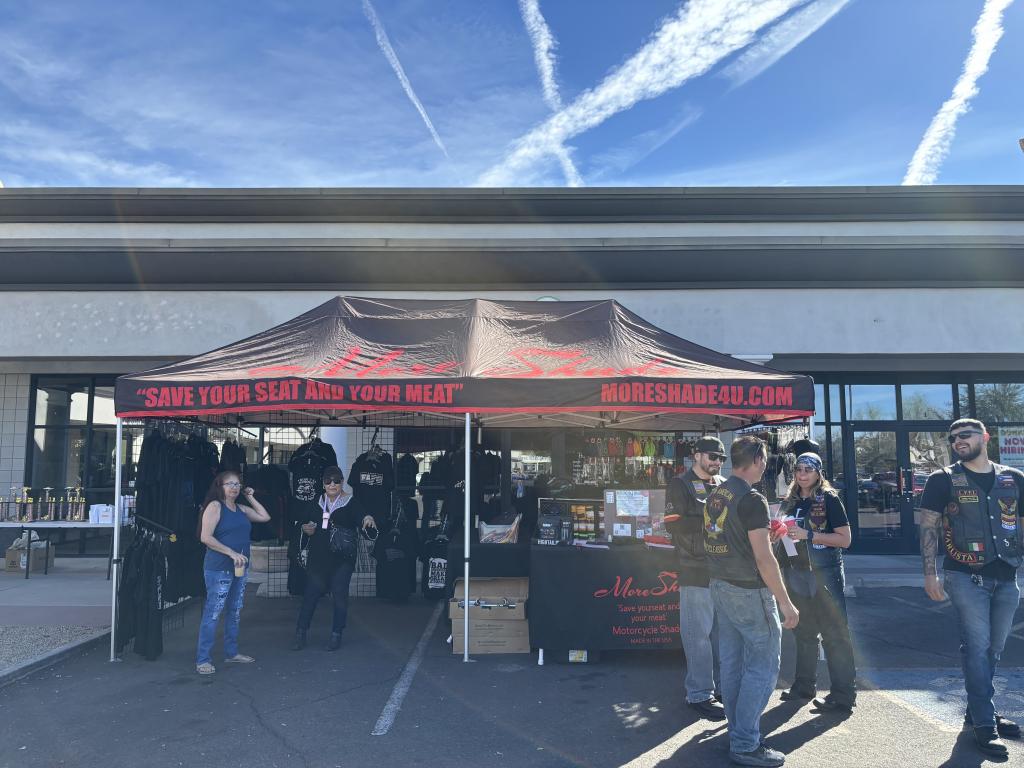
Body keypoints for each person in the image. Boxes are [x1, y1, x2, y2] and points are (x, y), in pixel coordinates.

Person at [918, 419, 1023, 758]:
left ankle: (979, 709)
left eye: (965, 435)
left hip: (1006, 575)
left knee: (994, 648)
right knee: (977, 647)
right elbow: (929, 527)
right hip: (965, 576)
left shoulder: (1013, 478)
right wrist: (930, 573)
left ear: (985, 437)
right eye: (953, 438)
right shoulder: (943, 479)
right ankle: (985, 725)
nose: (958, 441)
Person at [705, 435, 799, 768]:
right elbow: (763, 559)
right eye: (765, 459)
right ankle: (745, 743)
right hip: (748, 589)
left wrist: (765, 539)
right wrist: (786, 602)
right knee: (762, 667)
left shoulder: (716, 493)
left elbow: (729, 539)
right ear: (758, 459)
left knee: (732, 665)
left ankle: (739, 733)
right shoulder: (752, 498)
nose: (766, 465)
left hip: (721, 584)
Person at [775, 453, 856, 712]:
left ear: (818, 473)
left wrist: (808, 534)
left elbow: (845, 539)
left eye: (808, 470)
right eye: (798, 469)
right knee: (804, 631)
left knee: (834, 634)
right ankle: (804, 686)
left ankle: (843, 695)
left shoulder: (829, 499)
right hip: (795, 571)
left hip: (824, 573)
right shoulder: (791, 500)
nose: (802, 474)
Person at [664, 435, 727, 720]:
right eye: (713, 456)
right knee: (697, 635)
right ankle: (700, 693)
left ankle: (723, 687)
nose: (717, 462)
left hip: (724, 568)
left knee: (723, 634)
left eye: (721, 458)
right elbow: (673, 523)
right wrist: (710, 516)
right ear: (697, 456)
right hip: (694, 567)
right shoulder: (680, 484)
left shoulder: (724, 484)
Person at [292, 466, 377, 651]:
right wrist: (305, 529)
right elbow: (302, 522)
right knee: (310, 594)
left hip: (342, 559)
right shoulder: (316, 501)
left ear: (342, 482)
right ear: (323, 483)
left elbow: (363, 516)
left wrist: (367, 518)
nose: (332, 484)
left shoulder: (351, 502)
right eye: (328, 481)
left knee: (339, 594)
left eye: (336, 481)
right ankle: (300, 632)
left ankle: (336, 634)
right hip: (318, 558)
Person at [196, 471, 271, 675]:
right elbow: (205, 537)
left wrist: (250, 496)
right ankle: (203, 659)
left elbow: (265, 517)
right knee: (214, 612)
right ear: (219, 486)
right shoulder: (215, 506)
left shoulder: (241, 508)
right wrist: (230, 552)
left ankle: (231, 652)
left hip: (239, 567)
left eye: (237, 484)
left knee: (234, 611)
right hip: (219, 567)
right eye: (229, 484)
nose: (234, 488)